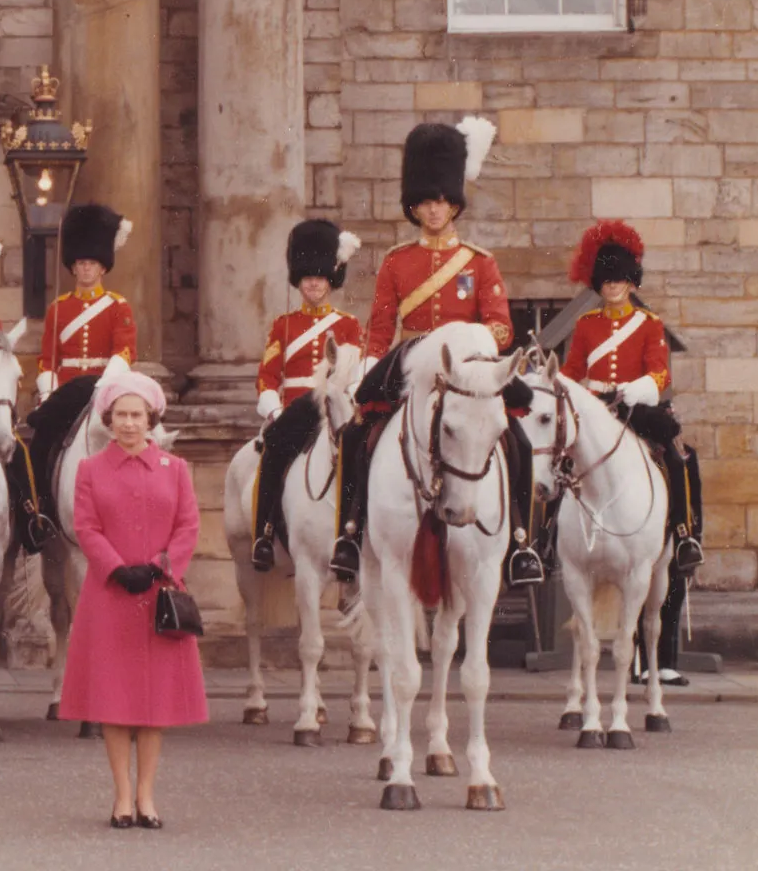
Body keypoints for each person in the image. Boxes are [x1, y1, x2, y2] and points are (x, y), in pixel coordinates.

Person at [329, 117, 544, 587]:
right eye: (427, 202)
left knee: (519, 439)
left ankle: (523, 542)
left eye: (443, 202)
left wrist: (473, 342)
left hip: (466, 365)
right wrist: (368, 364)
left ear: (454, 205)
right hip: (411, 361)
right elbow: (382, 328)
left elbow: (503, 328)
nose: (435, 210)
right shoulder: (396, 262)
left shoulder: (479, 262)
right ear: (415, 205)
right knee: (357, 432)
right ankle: (349, 532)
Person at [555, 220, 703, 686]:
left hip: (636, 409)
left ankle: (683, 532)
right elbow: (572, 371)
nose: (613, 285)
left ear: (631, 281)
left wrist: (628, 389)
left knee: (677, 456)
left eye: (620, 278)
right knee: (557, 462)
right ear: (598, 283)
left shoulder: (649, 324)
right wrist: (586, 389)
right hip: (596, 410)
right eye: (606, 279)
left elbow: (658, 376)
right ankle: (540, 541)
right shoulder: (584, 325)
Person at [60, 369, 205, 829]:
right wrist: (118, 568)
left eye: (136, 415)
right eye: (120, 415)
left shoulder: (175, 469)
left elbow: (189, 525)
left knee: (153, 704)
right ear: (108, 419)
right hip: (110, 596)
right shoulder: (89, 470)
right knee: (115, 702)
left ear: (151, 419)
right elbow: (86, 526)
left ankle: (147, 796)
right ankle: (122, 796)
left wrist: (162, 566)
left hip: (160, 595)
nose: (128, 423)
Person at [18, 203, 135, 553]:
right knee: (39, 444)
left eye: (92, 264)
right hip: (66, 393)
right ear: (74, 267)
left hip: (105, 390)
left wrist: (102, 388)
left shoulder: (118, 306)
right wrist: (47, 392)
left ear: (102, 268)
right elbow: (48, 359)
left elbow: (124, 352)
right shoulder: (59, 309)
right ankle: (40, 514)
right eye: (81, 264)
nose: (85, 269)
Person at [248, 219, 362, 572]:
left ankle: (351, 536)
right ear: (299, 280)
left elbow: (354, 373)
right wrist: (274, 412)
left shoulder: (348, 325)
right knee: (275, 451)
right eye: (308, 276)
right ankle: (264, 531)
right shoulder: (283, 325)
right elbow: (267, 377)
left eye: (321, 276)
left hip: (334, 409)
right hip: (295, 411)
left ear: (332, 279)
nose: (314, 282)